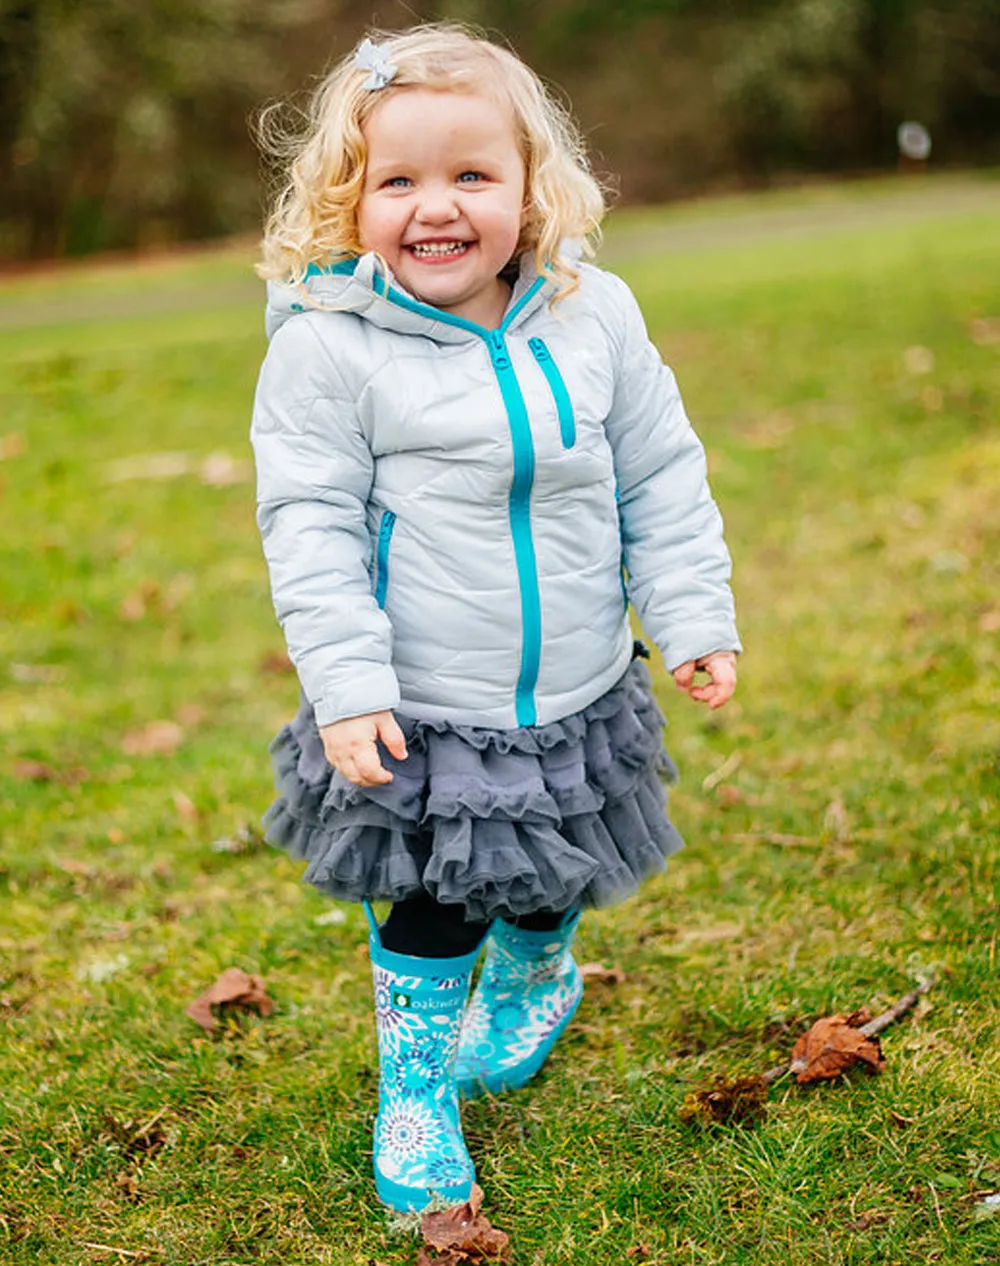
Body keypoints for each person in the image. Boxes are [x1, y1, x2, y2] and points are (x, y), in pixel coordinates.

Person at [250, 24, 740, 1214]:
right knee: (429, 902)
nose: (438, 206)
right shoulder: (327, 351)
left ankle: (536, 976)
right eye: (399, 180)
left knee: (548, 870)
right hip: (422, 704)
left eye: (473, 175)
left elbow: (657, 474)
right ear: (347, 198)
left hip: (575, 683)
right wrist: (348, 684)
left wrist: (691, 614)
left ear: (532, 188)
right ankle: (413, 1088)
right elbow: (307, 525)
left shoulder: (596, 313)